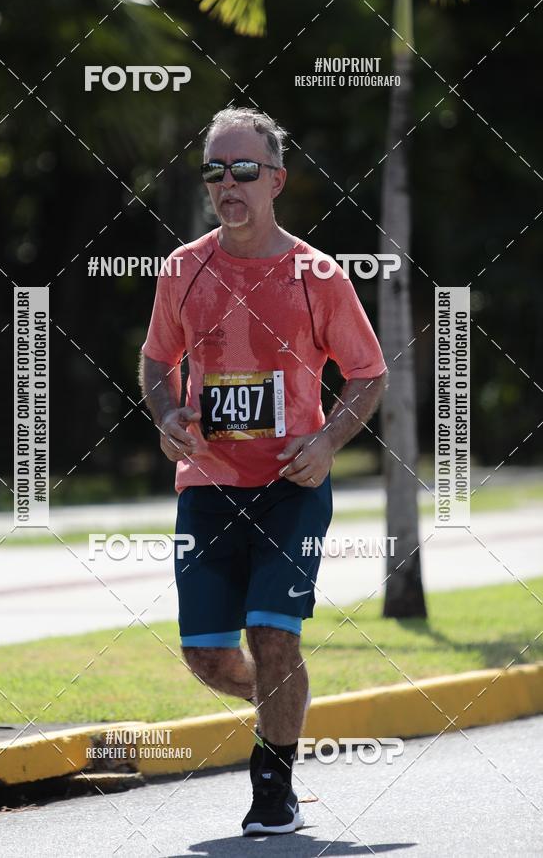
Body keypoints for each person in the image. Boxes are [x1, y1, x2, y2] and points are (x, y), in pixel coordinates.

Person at [139, 107, 387, 836]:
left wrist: (328, 441)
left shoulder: (317, 275)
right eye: (214, 169)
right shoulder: (183, 269)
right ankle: (286, 700)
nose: (226, 183)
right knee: (210, 658)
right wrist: (167, 415)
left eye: (243, 169)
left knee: (271, 634)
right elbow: (157, 362)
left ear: (276, 180)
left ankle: (272, 785)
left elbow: (367, 374)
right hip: (209, 488)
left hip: (291, 485)